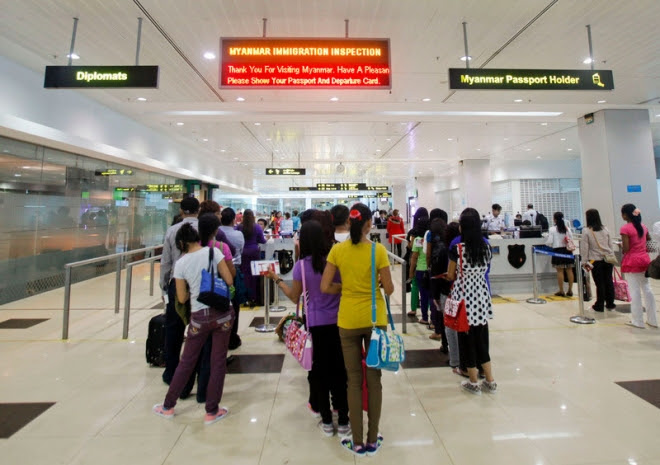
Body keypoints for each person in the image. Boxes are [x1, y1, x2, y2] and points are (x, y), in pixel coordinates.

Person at [321, 203, 394, 457]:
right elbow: (391, 288)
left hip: (348, 320)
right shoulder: (379, 250)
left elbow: (325, 285)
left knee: (353, 380)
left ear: (349, 223)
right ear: (369, 224)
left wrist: (345, 290)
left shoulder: (337, 251)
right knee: (374, 379)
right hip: (375, 320)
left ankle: (357, 440)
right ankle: (373, 439)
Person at [267, 220, 350, 437]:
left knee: (318, 373)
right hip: (340, 323)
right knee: (339, 372)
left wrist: (277, 279)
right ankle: (343, 420)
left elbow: (295, 296)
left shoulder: (301, 267)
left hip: (315, 327)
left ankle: (326, 421)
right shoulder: (335, 261)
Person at [152, 214, 235, 424]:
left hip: (200, 316)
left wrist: (194, 290)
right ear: (198, 237)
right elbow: (229, 279)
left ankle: (168, 406)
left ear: (181, 243)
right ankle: (212, 410)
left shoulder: (181, 264)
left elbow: (181, 297)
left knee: (187, 360)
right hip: (223, 313)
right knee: (217, 362)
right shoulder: (213, 252)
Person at [447, 208, 496, 395]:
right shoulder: (486, 247)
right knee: (482, 338)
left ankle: (473, 381)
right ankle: (490, 380)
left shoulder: (457, 248)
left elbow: (451, 274)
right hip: (482, 296)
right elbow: (486, 270)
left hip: (464, 298)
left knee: (467, 340)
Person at [160, 197, 200, 386]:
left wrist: (164, 285)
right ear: (198, 210)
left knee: (174, 329)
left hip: (178, 283)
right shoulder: (205, 228)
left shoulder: (172, 231)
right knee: (200, 327)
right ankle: (199, 370)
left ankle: (171, 372)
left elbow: (166, 261)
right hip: (201, 283)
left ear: (182, 211)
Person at [619, 204, 658, 328]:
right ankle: (653, 320)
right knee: (647, 289)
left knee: (634, 291)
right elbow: (648, 242)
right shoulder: (643, 227)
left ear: (625, 215)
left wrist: (620, 245)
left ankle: (638, 321)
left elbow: (626, 248)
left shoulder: (625, 229)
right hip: (644, 260)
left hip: (632, 261)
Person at [220, 207, 246, 349]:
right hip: (234, 270)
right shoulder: (238, 235)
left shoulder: (216, 234)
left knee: (220, 304)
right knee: (234, 304)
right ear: (233, 220)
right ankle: (232, 337)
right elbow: (239, 251)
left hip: (216, 272)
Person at [580, 209, 616, 312]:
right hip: (608, 259)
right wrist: (612, 256)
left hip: (595, 260)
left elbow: (584, 247)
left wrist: (584, 261)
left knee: (599, 283)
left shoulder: (586, 231)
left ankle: (599, 305)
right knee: (609, 281)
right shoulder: (605, 229)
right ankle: (610, 304)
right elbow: (610, 244)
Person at [426, 217, 449, 349]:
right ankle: (446, 337)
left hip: (435, 273)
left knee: (436, 302)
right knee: (445, 304)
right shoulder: (448, 235)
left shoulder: (430, 234)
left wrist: (428, 268)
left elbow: (428, 253)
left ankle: (438, 330)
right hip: (447, 276)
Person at [237, 209, 267, 307]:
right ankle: (254, 297)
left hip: (243, 253)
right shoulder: (257, 227)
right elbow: (262, 241)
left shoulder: (239, 227)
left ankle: (244, 297)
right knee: (255, 275)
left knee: (244, 275)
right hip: (254, 252)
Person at [406, 207, 429, 318]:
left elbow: (410, 247)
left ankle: (413, 309)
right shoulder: (430, 234)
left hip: (416, 265)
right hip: (428, 266)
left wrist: (411, 271)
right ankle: (428, 309)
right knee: (427, 290)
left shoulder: (414, 233)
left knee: (415, 285)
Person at [545, 212, 574, 297]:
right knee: (569, 270)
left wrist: (547, 244)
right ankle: (570, 290)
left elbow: (550, 241)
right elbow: (571, 239)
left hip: (558, 251)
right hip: (568, 251)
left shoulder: (552, 229)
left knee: (560, 271)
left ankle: (561, 290)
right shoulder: (567, 228)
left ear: (554, 219)